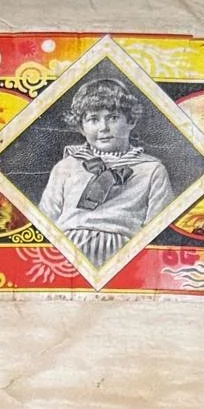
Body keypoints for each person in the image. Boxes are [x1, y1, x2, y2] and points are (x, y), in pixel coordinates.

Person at [35, 76, 176, 270]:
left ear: (131, 121)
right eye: (93, 119)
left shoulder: (151, 170)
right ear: (81, 127)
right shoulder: (66, 166)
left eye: (113, 118)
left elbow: (158, 227)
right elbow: (46, 218)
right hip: (67, 251)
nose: (103, 128)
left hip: (124, 255)